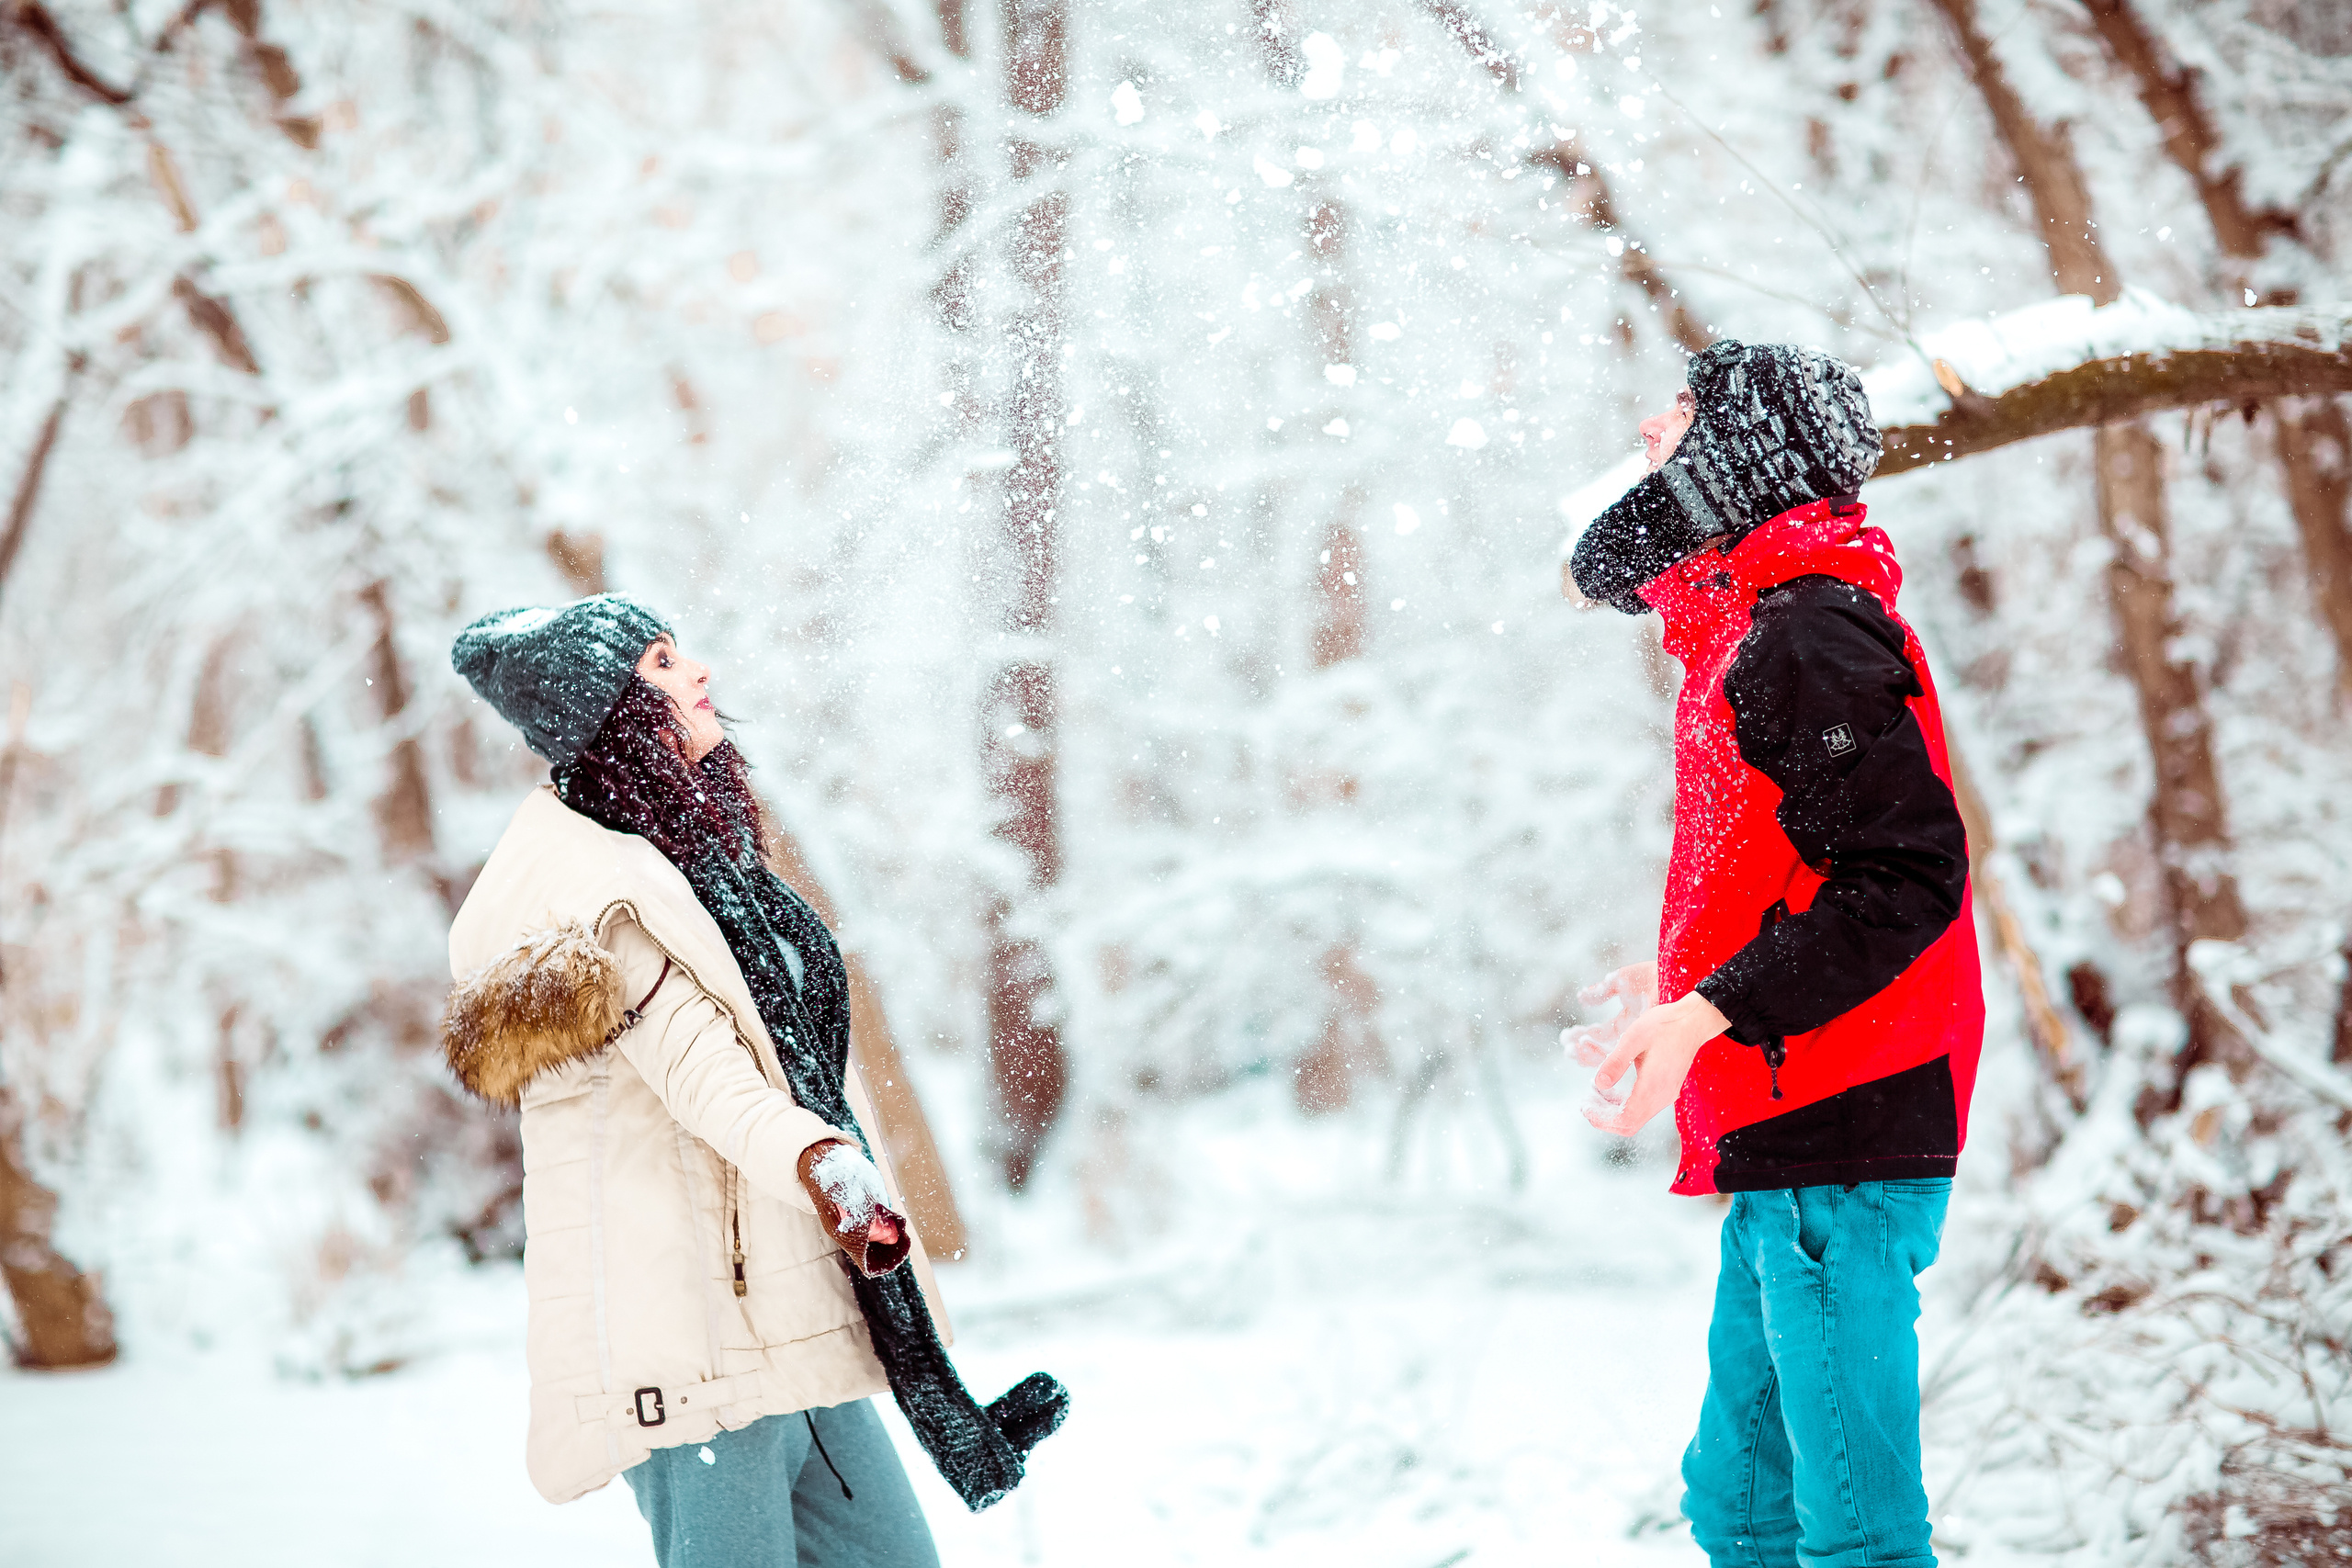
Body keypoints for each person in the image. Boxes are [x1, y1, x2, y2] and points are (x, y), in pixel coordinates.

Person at [441, 594, 1068, 1567]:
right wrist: (826, 1165)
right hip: (691, 1359)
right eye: (659, 663)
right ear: (606, 710)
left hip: (788, 1325)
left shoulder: (692, 859)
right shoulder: (593, 898)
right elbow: (709, 1080)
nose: (697, 676)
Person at [1564, 340, 1983, 1568]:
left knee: (1853, 1530)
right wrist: (1682, 986)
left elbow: (1905, 874)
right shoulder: (1752, 630)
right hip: (1788, 1135)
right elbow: (1803, 865)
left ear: (1740, 450)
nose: (1650, 426)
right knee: (1741, 1510)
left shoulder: (1806, 634)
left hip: (1845, 1139)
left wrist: (1709, 1011)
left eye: (1682, 409)